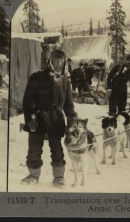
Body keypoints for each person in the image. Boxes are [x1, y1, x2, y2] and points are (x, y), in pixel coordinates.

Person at [21, 49, 77, 189]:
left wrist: (73, 120)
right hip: (38, 118)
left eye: (61, 60)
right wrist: (30, 118)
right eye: (55, 59)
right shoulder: (37, 77)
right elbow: (28, 101)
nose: (58, 63)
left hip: (56, 119)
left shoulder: (65, 81)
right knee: (34, 149)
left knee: (57, 149)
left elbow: (68, 104)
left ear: (64, 62)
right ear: (50, 61)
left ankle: (59, 177)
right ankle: (33, 175)